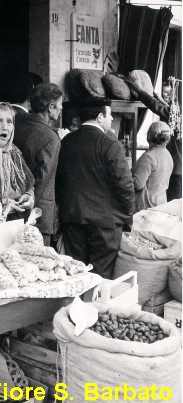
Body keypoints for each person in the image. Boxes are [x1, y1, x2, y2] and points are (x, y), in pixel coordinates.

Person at [55, 97, 134, 279]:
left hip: (72, 217)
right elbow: (125, 185)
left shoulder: (66, 141)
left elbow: (59, 181)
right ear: (100, 117)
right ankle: (96, 308)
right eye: (110, 115)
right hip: (105, 222)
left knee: (77, 273)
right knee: (101, 276)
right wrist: (128, 216)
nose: (112, 119)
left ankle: (78, 307)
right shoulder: (110, 144)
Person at [13, 83, 64, 245]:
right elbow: (42, 179)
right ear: (50, 106)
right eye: (60, 104)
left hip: (12, 208)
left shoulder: (16, 126)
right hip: (37, 216)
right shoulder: (50, 137)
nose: (61, 108)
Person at [126, 78, 182, 201]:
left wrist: (138, 90)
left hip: (177, 172)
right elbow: (164, 107)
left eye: (169, 93)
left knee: (172, 207)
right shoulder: (177, 115)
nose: (168, 96)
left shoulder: (178, 115)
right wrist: (155, 94)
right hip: (175, 168)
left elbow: (157, 106)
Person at [132, 121, 173, 212]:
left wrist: (123, 175)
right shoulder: (168, 155)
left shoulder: (149, 157)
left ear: (149, 136)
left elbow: (138, 184)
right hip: (160, 205)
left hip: (145, 208)